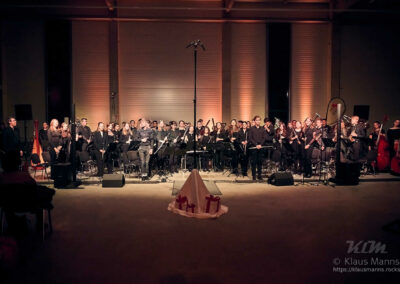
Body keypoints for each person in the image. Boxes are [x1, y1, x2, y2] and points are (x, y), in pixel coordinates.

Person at [248, 115, 267, 181]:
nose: (258, 121)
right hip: (254, 147)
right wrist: (256, 145)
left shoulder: (262, 128)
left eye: (259, 120)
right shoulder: (251, 129)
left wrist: (260, 144)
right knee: (254, 162)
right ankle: (254, 176)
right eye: (256, 120)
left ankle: (259, 175)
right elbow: (250, 138)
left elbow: (264, 138)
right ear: (254, 121)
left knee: (260, 162)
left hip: (260, 147)